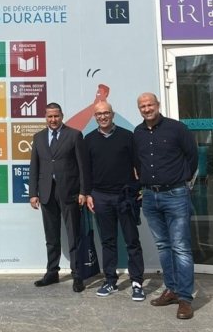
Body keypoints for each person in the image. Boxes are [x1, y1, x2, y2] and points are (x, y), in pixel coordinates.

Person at [134, 93, 198, 320]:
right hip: (150, 196)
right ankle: (171, 289)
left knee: (181, 247)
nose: (147, 109)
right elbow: (138, 162)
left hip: (176, 194)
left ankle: (185, 299)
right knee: (163, 246)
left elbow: (192, 157)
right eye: (142, 106)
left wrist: (182, 180)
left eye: (150, 104)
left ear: (158, 105)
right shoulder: (138, 132)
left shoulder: (177, 128)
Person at [84, 102, 145, 301]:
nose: (102, 117)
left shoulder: (127, 136)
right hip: (101, 197)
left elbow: (139, 164)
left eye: (106, 113)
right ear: (95, 117)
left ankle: (137, 282)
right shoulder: (89, 139)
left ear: (113, 114)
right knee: (108, 241)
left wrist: (141, 188)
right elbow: (86, 170)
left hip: (125, 196)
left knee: (132, 241)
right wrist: (89, 194)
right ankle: (110, 280)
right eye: (99, 114)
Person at [29, 102, 87, 292]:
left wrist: (83, 191)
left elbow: (82, 166)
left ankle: (77, 275)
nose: (53, 120)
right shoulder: (38, 137)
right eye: (49, 116)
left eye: (56, 116)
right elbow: (34, 167)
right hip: (46, 192)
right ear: (45, 118)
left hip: (69, 191)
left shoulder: (74, 135)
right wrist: (33, 193)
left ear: (62, 116)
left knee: (73, 235)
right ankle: (52, 272)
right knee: (51, 236)